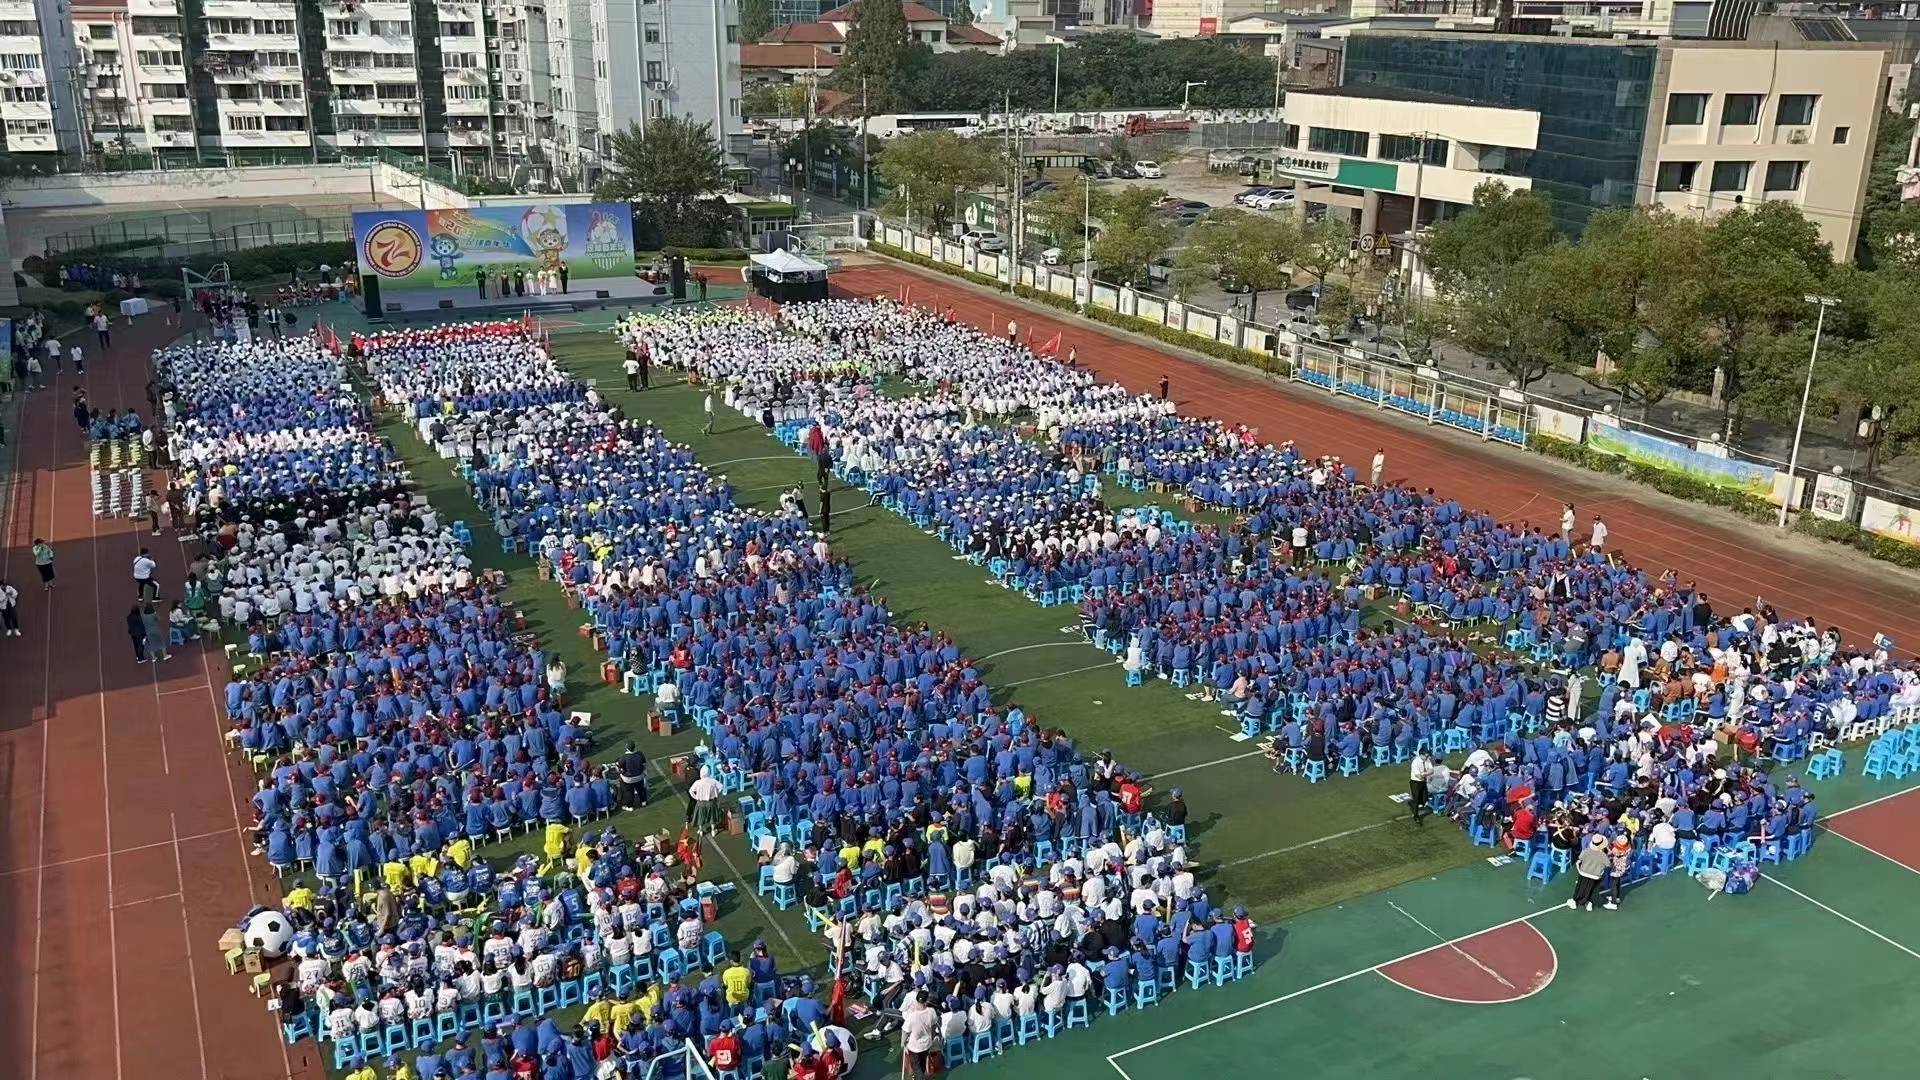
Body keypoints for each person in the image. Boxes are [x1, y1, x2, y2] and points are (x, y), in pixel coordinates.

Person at [900, 990, 938, 1079]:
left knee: (916, 1068)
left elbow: (905, 1031)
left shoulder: (912, 1016)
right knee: (922, 1063)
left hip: (914, 1047)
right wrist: (931, 1036)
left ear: (917, 1000)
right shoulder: (931, 1011)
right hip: (927, 1043)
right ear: (926, 1000)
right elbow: (934, 1025)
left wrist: (903, 1043)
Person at [1569, 834, 1608, 911]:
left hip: (1584, 873)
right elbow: (1608, 864)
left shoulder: (1586, 851)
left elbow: (1579, 860)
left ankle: (1574, 901)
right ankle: (1589, 903)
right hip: (1596, 876)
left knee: (1579, 887)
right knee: (1593, 889)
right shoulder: (1603, 855)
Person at [617, 742, 649, 808]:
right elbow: (644, 765)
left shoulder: (623, 757)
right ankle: (644, 801)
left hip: (628, 779)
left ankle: (630, 805)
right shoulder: (640, 754)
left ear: (627, 748)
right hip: (639, 776)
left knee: (628, 791)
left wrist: (621, 772)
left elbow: (620, 769)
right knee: (641, 789)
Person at [1407, 748, 1433, 824]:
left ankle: (1412, 803)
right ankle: (1416, 816)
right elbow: (1418, 776)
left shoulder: (1427, 760)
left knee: (1424, 799)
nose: (1427, 757)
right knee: (1416, 800)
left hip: (1423, 782)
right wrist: (1426, 774)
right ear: (1421, 755)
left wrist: (1424, 774)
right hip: (1415, 783)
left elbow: (1432, 770)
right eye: (1426, 755)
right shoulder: (1415, 762)